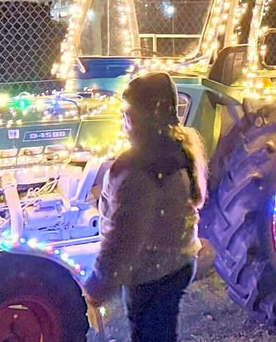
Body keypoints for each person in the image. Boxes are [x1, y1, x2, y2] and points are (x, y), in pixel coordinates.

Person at [83, 72, 208, 342]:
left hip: (152, 271)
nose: (123, 120)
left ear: (144, 116)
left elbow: (125, 237)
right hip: (178, 262)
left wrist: (96, 287)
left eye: (128, 113)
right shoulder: (179, 150)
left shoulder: (137, 169)